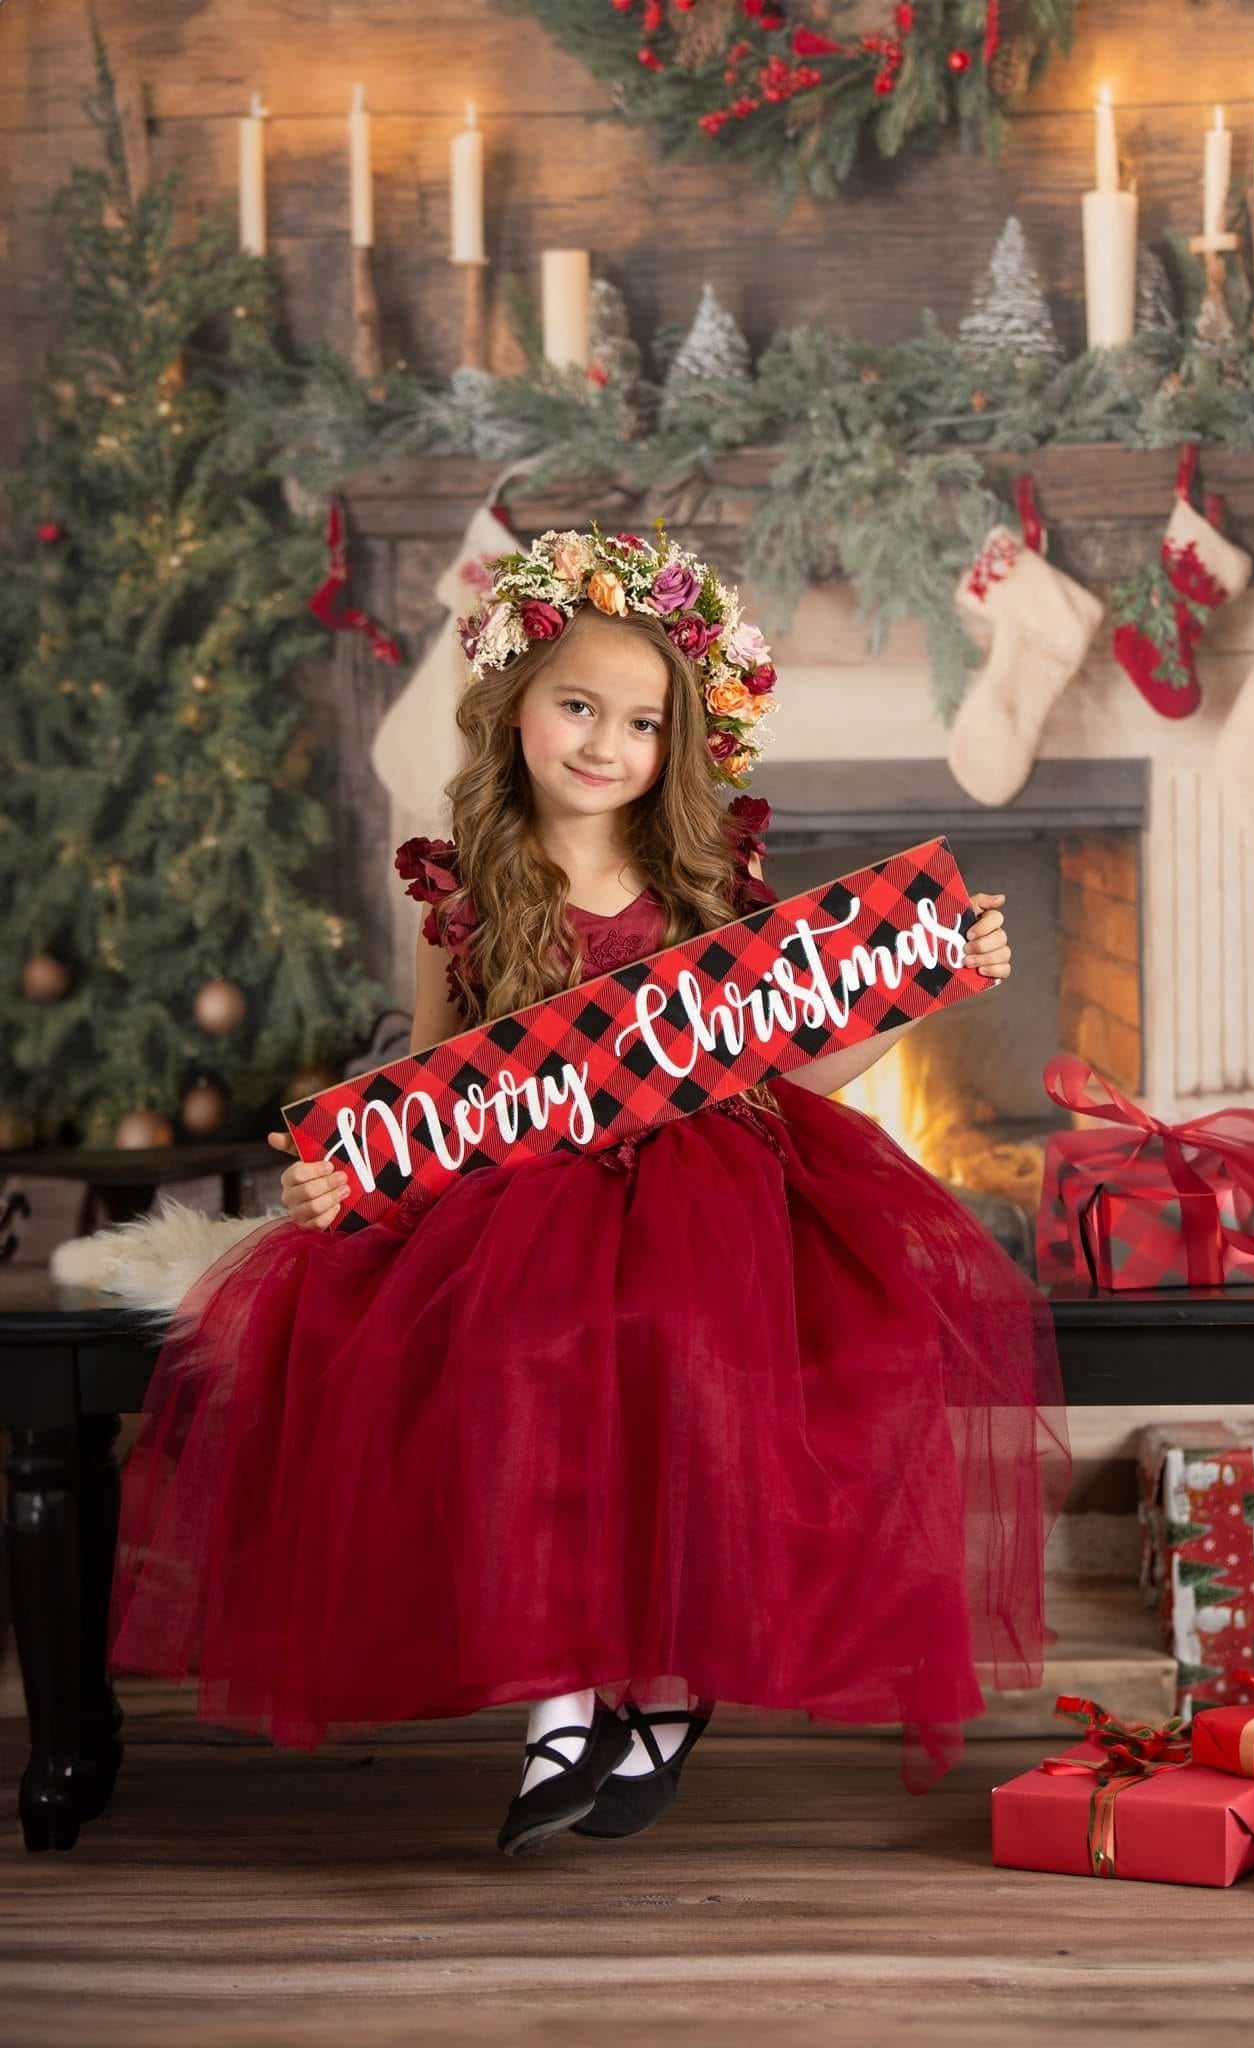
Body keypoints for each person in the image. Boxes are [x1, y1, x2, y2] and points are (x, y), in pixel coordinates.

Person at [109, 521, 1073, 1857]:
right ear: (516, 710)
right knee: (516, 1353)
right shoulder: (461, 895)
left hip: (711, 1183)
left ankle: (669, 1688)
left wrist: (928, 977)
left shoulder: (703, 884)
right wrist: (352, 1185)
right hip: (522, 1197)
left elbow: (807, 1043)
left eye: (639, 723)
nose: (604, 744)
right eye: (578, 706)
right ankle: (563, 1698)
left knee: (697, 1352)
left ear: (676, 748)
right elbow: (434, 1089)